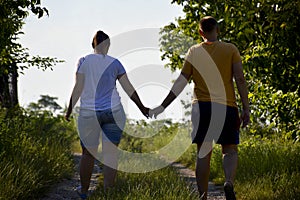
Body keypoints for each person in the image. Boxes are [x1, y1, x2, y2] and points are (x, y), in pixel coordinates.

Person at [150, 16, 249, 200]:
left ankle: (203, 196)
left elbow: (181, 81)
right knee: (230, 149)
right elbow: (240, 79)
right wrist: (246, 108)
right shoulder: (231, 49)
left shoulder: (194, 52)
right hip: (226, 106)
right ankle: (228, 182)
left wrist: (163, 105)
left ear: (200, 32)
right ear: (217, 30)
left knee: (204, 152)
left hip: (202, 107)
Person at [65, 30, 149, 199]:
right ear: (108, 45)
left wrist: (69, 109)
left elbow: (78, 87)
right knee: (110, 153)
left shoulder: (83, 61)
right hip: (113, 111)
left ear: (93, 45)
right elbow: (128, 88)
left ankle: (83, 192)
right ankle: (108, 193)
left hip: (89, 113)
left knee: (88, 154)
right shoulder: (115, 63)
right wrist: (142, 107)